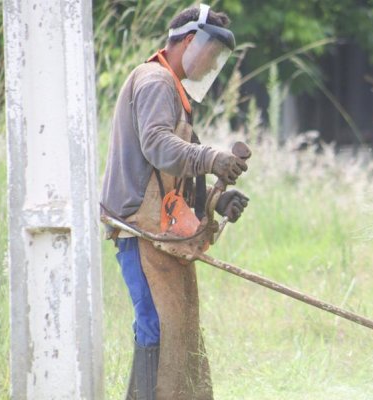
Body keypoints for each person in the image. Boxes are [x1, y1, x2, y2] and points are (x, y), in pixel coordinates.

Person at [101, 4, 248, 399]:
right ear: (189, 41)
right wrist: (212, 157)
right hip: (138, 228)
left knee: (173, 328)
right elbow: (158, 146)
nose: (212, 64)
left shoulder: (172, 88)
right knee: (155, 326)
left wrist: (217, 201)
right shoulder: (155, 81)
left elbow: (177, 172)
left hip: (156, 229)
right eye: (212, 53)